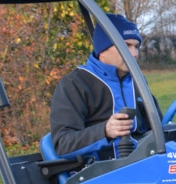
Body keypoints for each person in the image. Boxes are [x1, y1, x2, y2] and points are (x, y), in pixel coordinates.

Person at [49, 13, 158, 159]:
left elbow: (158, 128)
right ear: (102, 50)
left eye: (136, 46)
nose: (134, 53)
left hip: (144, 163)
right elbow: (63, 144)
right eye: (126, 46)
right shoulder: (75, 84)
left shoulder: (137, 81)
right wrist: (105, 131)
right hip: (101, 174)